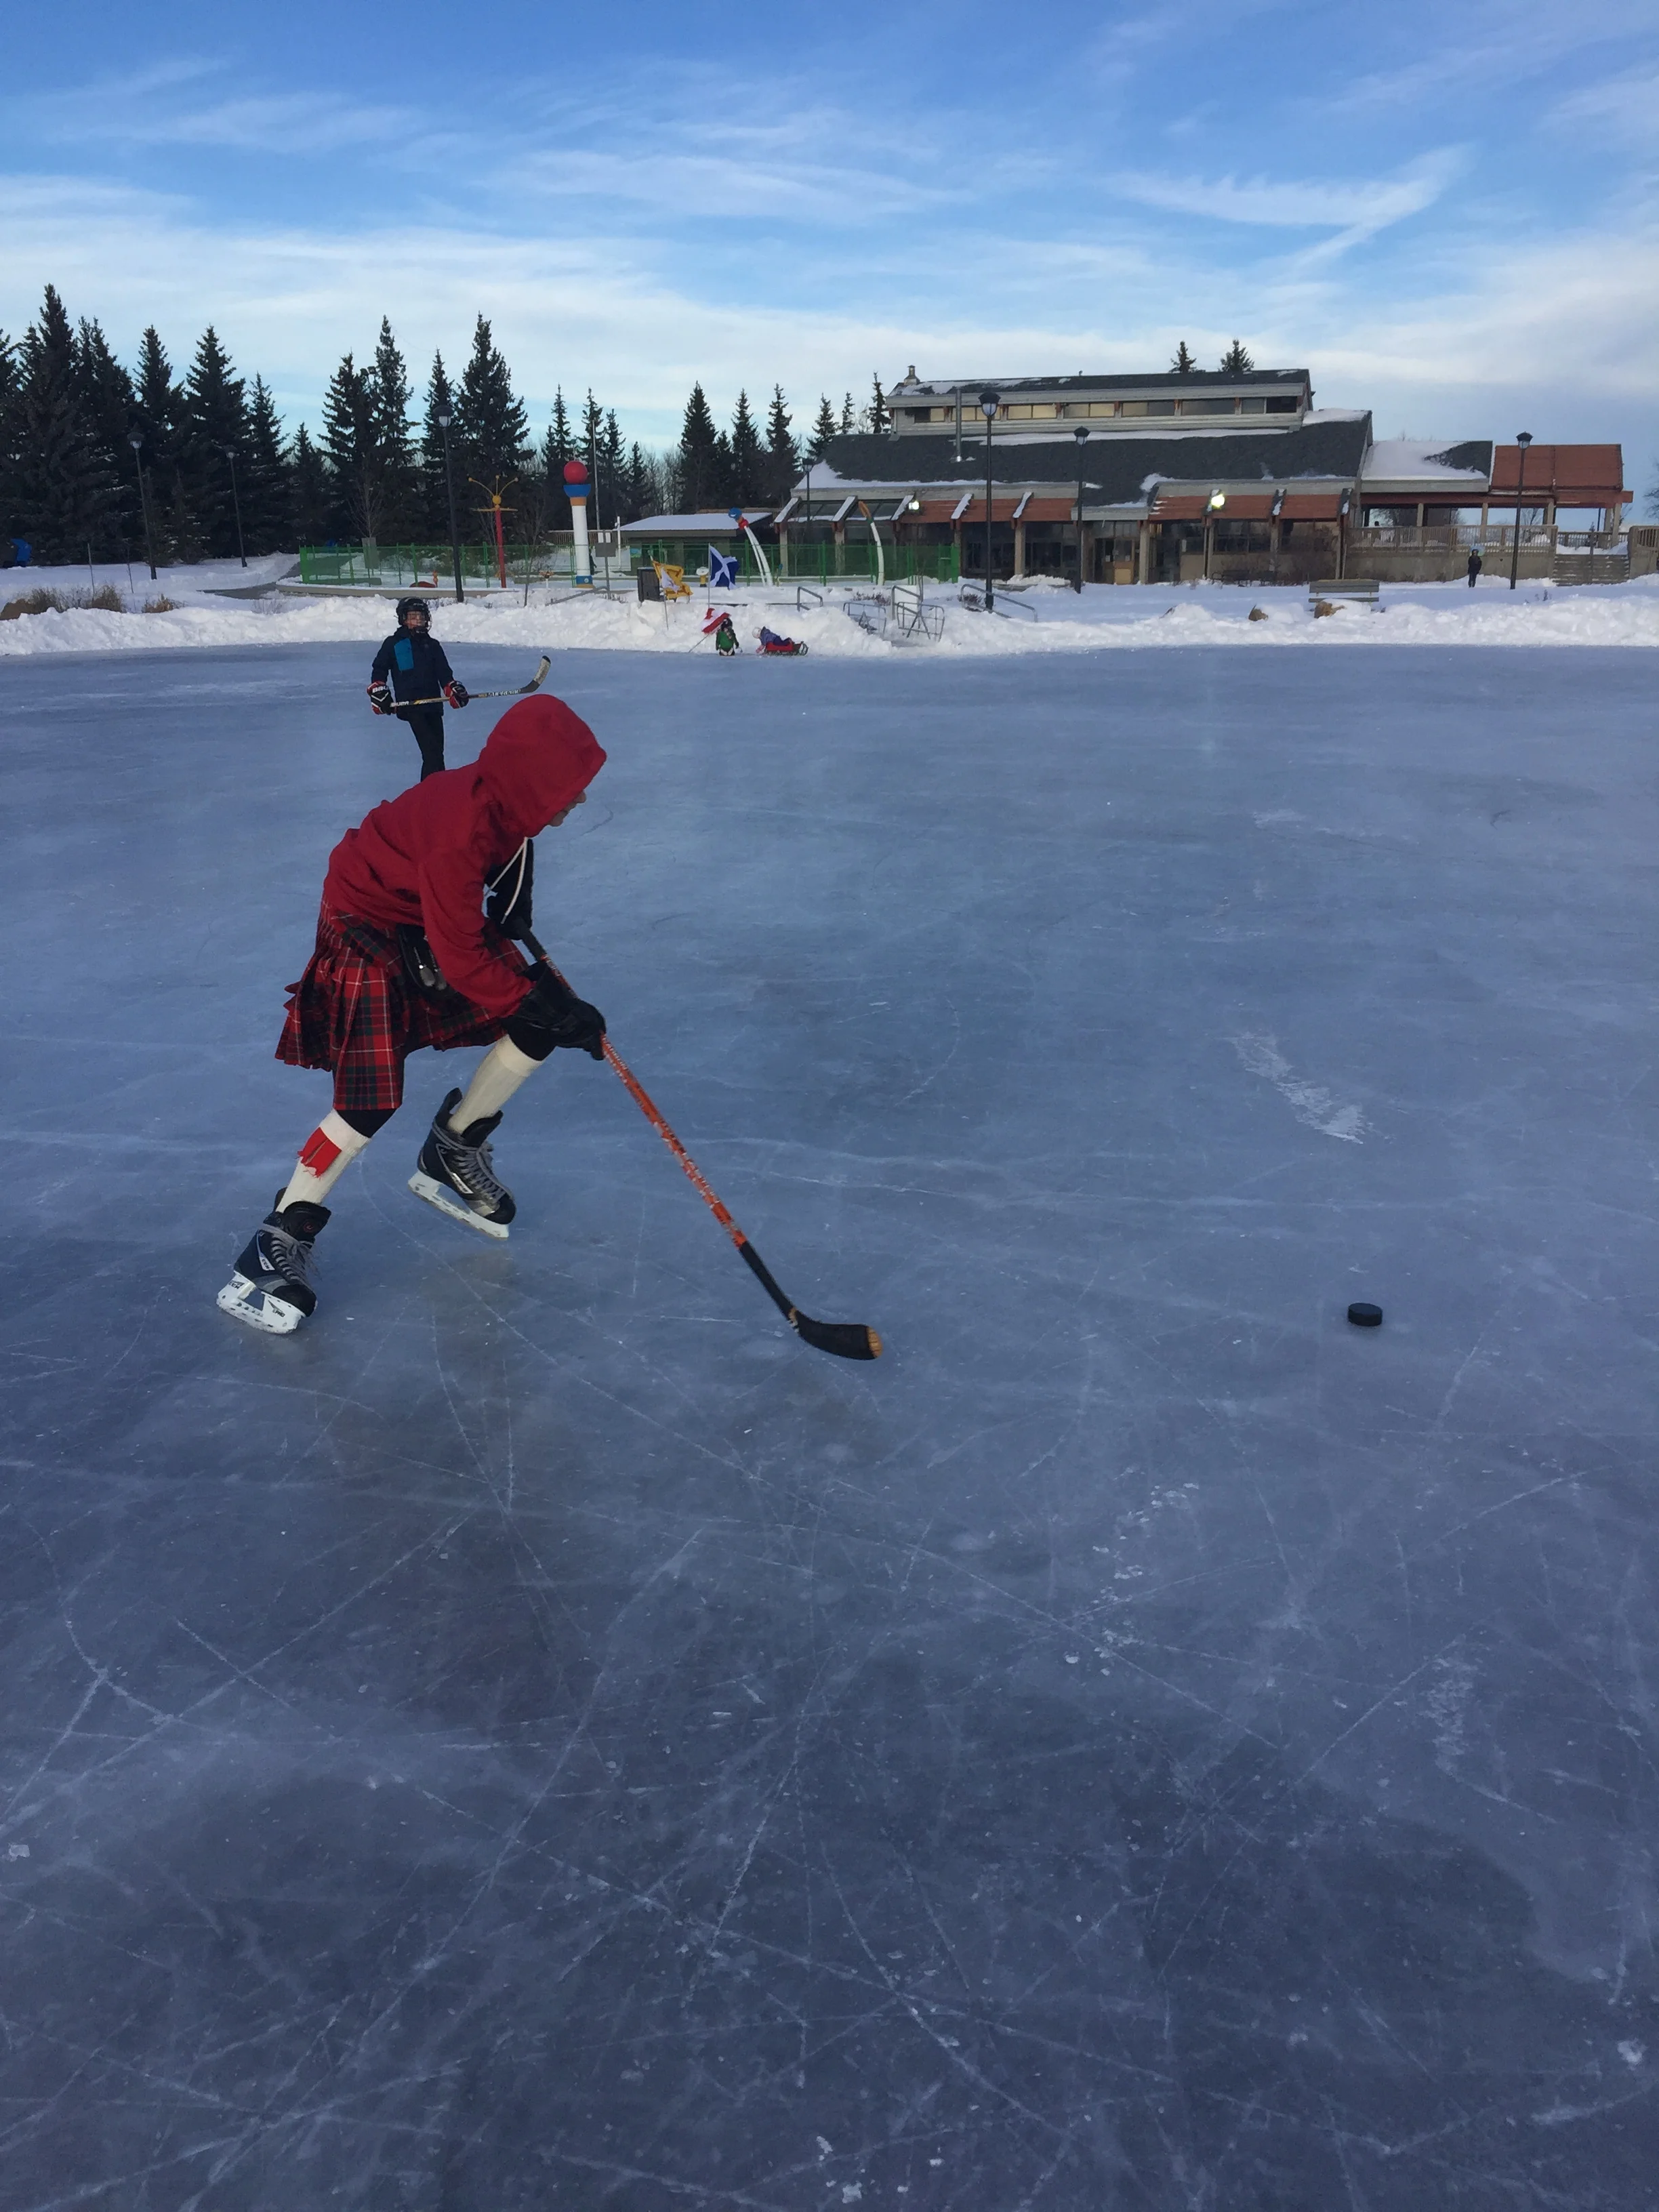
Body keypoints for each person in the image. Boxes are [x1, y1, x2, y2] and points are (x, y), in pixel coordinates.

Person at [218, 695, 608, 1336]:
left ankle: (453, 1149)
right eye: (569, 787)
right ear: (533, 783)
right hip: (366, 917)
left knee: (539, 1019)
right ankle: (277, 1237)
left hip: (421, 908)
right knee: (368, 1099)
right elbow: (464, 962)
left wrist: (523, 931)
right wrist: (537, 999)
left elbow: (507, 860)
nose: (582, 798)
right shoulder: (459, 833)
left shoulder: (509, 806)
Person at [369, 596, 470, 779]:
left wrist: (453, 689)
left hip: (433, 706)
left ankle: (434, 791)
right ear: (403, 619)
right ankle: (430, 793)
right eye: (413, 616)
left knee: (437, 755)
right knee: (432, 753)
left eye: (421, 616)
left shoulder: (433, 645)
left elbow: (444, 674)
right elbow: (379, 668)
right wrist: (379, 689)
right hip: (411, 706)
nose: (419, 620)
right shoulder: (394, 644)